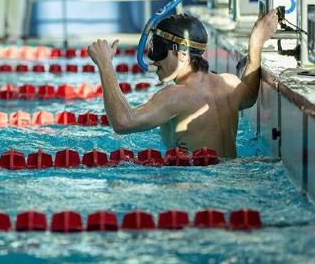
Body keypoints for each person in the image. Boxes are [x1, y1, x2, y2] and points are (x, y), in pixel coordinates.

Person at [87, 10, 279, 158]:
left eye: (159, 51)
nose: (153, 60)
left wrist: (105, 65)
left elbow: (123, 122)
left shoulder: (175, 95)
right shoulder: (230, 83)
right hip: (232, 174)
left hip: (193, 186)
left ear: (183, 54)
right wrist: (256, 43)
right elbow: (251, 93)